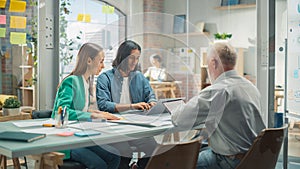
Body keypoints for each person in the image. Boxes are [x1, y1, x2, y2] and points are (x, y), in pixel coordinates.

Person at [171, 42, 266, 169]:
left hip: (229, 162)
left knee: (175, 163)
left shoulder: (218, 91)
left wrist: (174, 108)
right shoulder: (250, 87)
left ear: (213, 63)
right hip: (254, 159)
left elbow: (180, 119)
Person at [52, 43, 121, 169]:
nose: (103, 66)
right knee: (98, 164)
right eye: (101, 61)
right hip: (66, 141)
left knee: (114, 156)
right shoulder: (71, 81)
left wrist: (100, 114)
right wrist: (92, 115)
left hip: (79, 136)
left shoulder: (86, 82)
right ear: (89, 60)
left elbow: (81, 109)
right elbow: (60, 112)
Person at [96, 40, 157, 169]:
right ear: (122, 57)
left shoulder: (139, 77)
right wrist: (132, 106)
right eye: (131, 58)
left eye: (137, 58)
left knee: (154, 148)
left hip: (136, 126)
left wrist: (152, 102)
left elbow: (150, 95)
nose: (135, 62)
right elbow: (103, 105)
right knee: (124, 153)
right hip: (115, 128)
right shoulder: (105, 78)